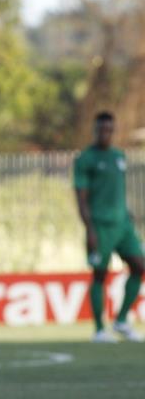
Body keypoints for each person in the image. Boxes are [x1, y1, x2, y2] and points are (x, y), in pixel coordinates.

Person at [74, 111, 144, 343]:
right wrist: (89, 229)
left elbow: (115, 190)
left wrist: (125, 212)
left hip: (122, 225)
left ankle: (122, 320)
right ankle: (99, 329)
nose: (106, 133)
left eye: (109, 129)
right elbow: (82, 198)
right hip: (100, 226)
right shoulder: (85, 159)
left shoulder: (119, 156)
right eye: (101, 129)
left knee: (139, 266)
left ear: (113, 130)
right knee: (100, 275)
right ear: (95, 130)